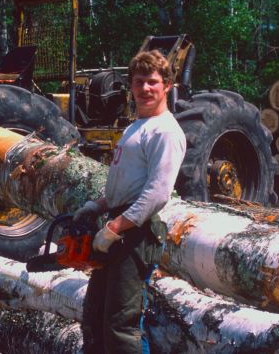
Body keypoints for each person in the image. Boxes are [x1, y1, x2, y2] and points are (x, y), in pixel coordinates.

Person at [76, 50, 187, 353]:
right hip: (118, 222)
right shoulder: (135, 127)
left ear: (167, 85)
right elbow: (126, 184)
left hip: (135, 232)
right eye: (139, 82)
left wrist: (115, 228)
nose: (146, 89)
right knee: (95, 317)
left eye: (153, 82)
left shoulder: (165, 130)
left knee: (121, 325)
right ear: (132, 86)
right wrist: (97, 206)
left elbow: (157, 193)